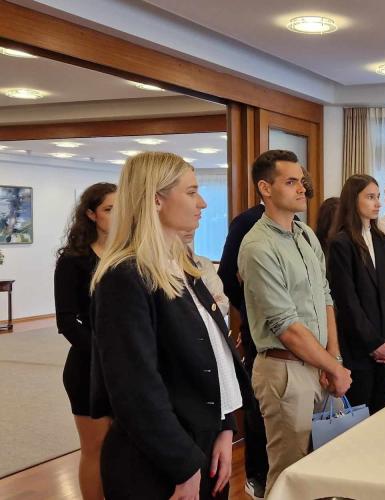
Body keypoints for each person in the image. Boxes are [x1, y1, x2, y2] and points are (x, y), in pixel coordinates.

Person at [90, 152, 252, 499]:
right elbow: (135, 389)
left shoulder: (183, 267)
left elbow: (214, 356)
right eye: (192, 192)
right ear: (155, 200)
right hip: (156, 461)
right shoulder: (125, 277)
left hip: (204, 443)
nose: (202, 203)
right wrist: (183, 465)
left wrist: (224, 427)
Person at [238, 150, 352, 494]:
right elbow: (286, 326)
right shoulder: (257, 246)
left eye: (301, 181)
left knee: (327, 466)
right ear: (265, 188)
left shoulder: (305, 235)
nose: (302, 188)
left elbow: (325, 297)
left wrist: (333, 359)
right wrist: (332, 365)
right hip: (285, 370)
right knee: (289, 473)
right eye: (291, 182)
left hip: (321, 365)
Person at [54, 182, 116, 500]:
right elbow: (66, 321)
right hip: (88, 367)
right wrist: (105, 354)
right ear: (91, 214)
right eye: (109, 209)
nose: (117, 215)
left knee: (124, 448)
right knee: (96, 448)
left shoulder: (128, 255)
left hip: (127, 365)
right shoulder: (73, 260)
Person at [328, 174, 385, 412]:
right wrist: (373, 344)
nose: (378, 203)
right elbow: (347, 301)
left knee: (382, 413)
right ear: (353, 200)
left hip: (384, 345)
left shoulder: (383, 242)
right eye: (370, 197)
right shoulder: (341, 243)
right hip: (358, 346)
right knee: (360, 414)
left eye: (378, 197)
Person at [217, 198, 268, 499]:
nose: (301, 188)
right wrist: (249, 309)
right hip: (259, 331)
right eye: (291, 182)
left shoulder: (298, 228)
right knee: (257, 404)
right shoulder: (246, 222)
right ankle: (256, 475)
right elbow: (226, 275)